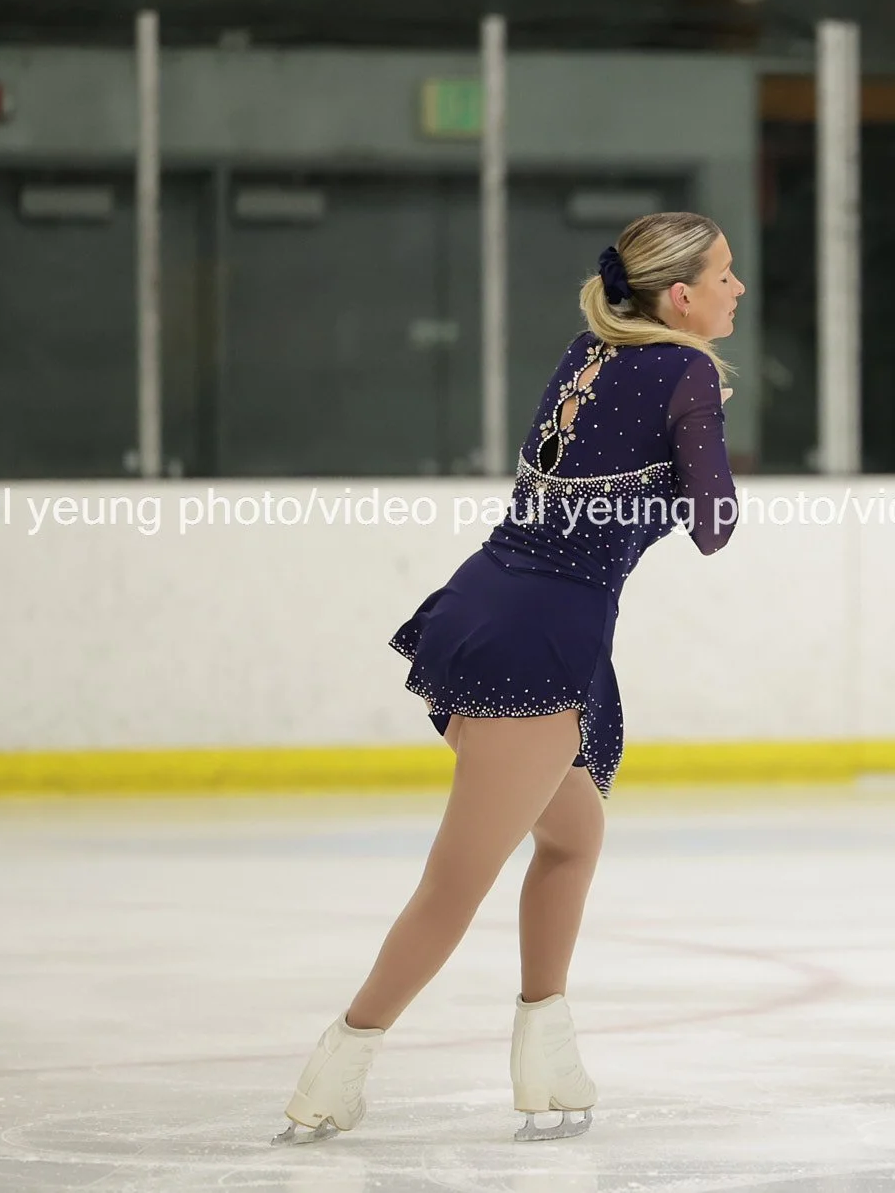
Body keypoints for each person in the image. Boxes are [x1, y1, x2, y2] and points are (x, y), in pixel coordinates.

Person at [273, 211, 745, 1145]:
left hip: (487, 604)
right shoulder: (685, 374)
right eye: (725, 274)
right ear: (680, 295)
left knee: (572, 836)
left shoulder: (591, 349)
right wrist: (704, 431)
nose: (737, 289)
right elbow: (714, 524)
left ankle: (546, 1051)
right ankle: (338, 1064)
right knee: (456, 881)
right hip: (541, 636)